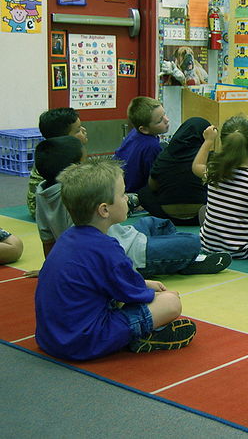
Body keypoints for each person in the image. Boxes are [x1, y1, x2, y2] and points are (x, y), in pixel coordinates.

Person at [34, 157, 197, 361]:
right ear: (104, 210)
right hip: (83, 342)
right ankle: (139, 336)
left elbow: (108, 281)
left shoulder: (67, 238)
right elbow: (132, 294)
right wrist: (154, 293)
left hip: (50, 338)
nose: (127, 199)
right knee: (171, 302)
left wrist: (145, 284)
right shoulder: (106, 247)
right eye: (122, 195)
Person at [34, 136, 231, 276]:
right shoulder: (77, 195)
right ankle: (180, 260)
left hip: (124, 235)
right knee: (192, 242)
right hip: (127, 254)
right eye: (84, 162)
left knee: (156, 223)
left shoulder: (43, 191)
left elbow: (47, 238)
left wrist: (49, 267)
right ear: (74, 169)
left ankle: (174, 257)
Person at [193, 116, 248, 263]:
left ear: (224, 144)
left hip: (208, 246)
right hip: (243, 251)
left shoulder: (214, 172)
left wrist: (208, 141)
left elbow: (196, 166)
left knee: (204, 210)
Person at [138, 117, 211, 225]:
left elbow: (153, 186)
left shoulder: (164, 155)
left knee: (144, 192)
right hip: (202, 215)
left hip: (167, 215)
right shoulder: (207, 158)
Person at [27, 107, 89, 218]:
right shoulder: (61, 158)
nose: (84, 130)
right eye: (78, 130)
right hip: (47, 209)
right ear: (63, 139)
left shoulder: (52, 152)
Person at [114, 96, 170, 194]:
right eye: (160, 121)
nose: (167, 120)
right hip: (133, 191)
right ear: (144, 129)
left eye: (164, 114)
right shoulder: (152, 146)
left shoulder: (134, 133)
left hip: (118, 182)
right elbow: (155, 179)